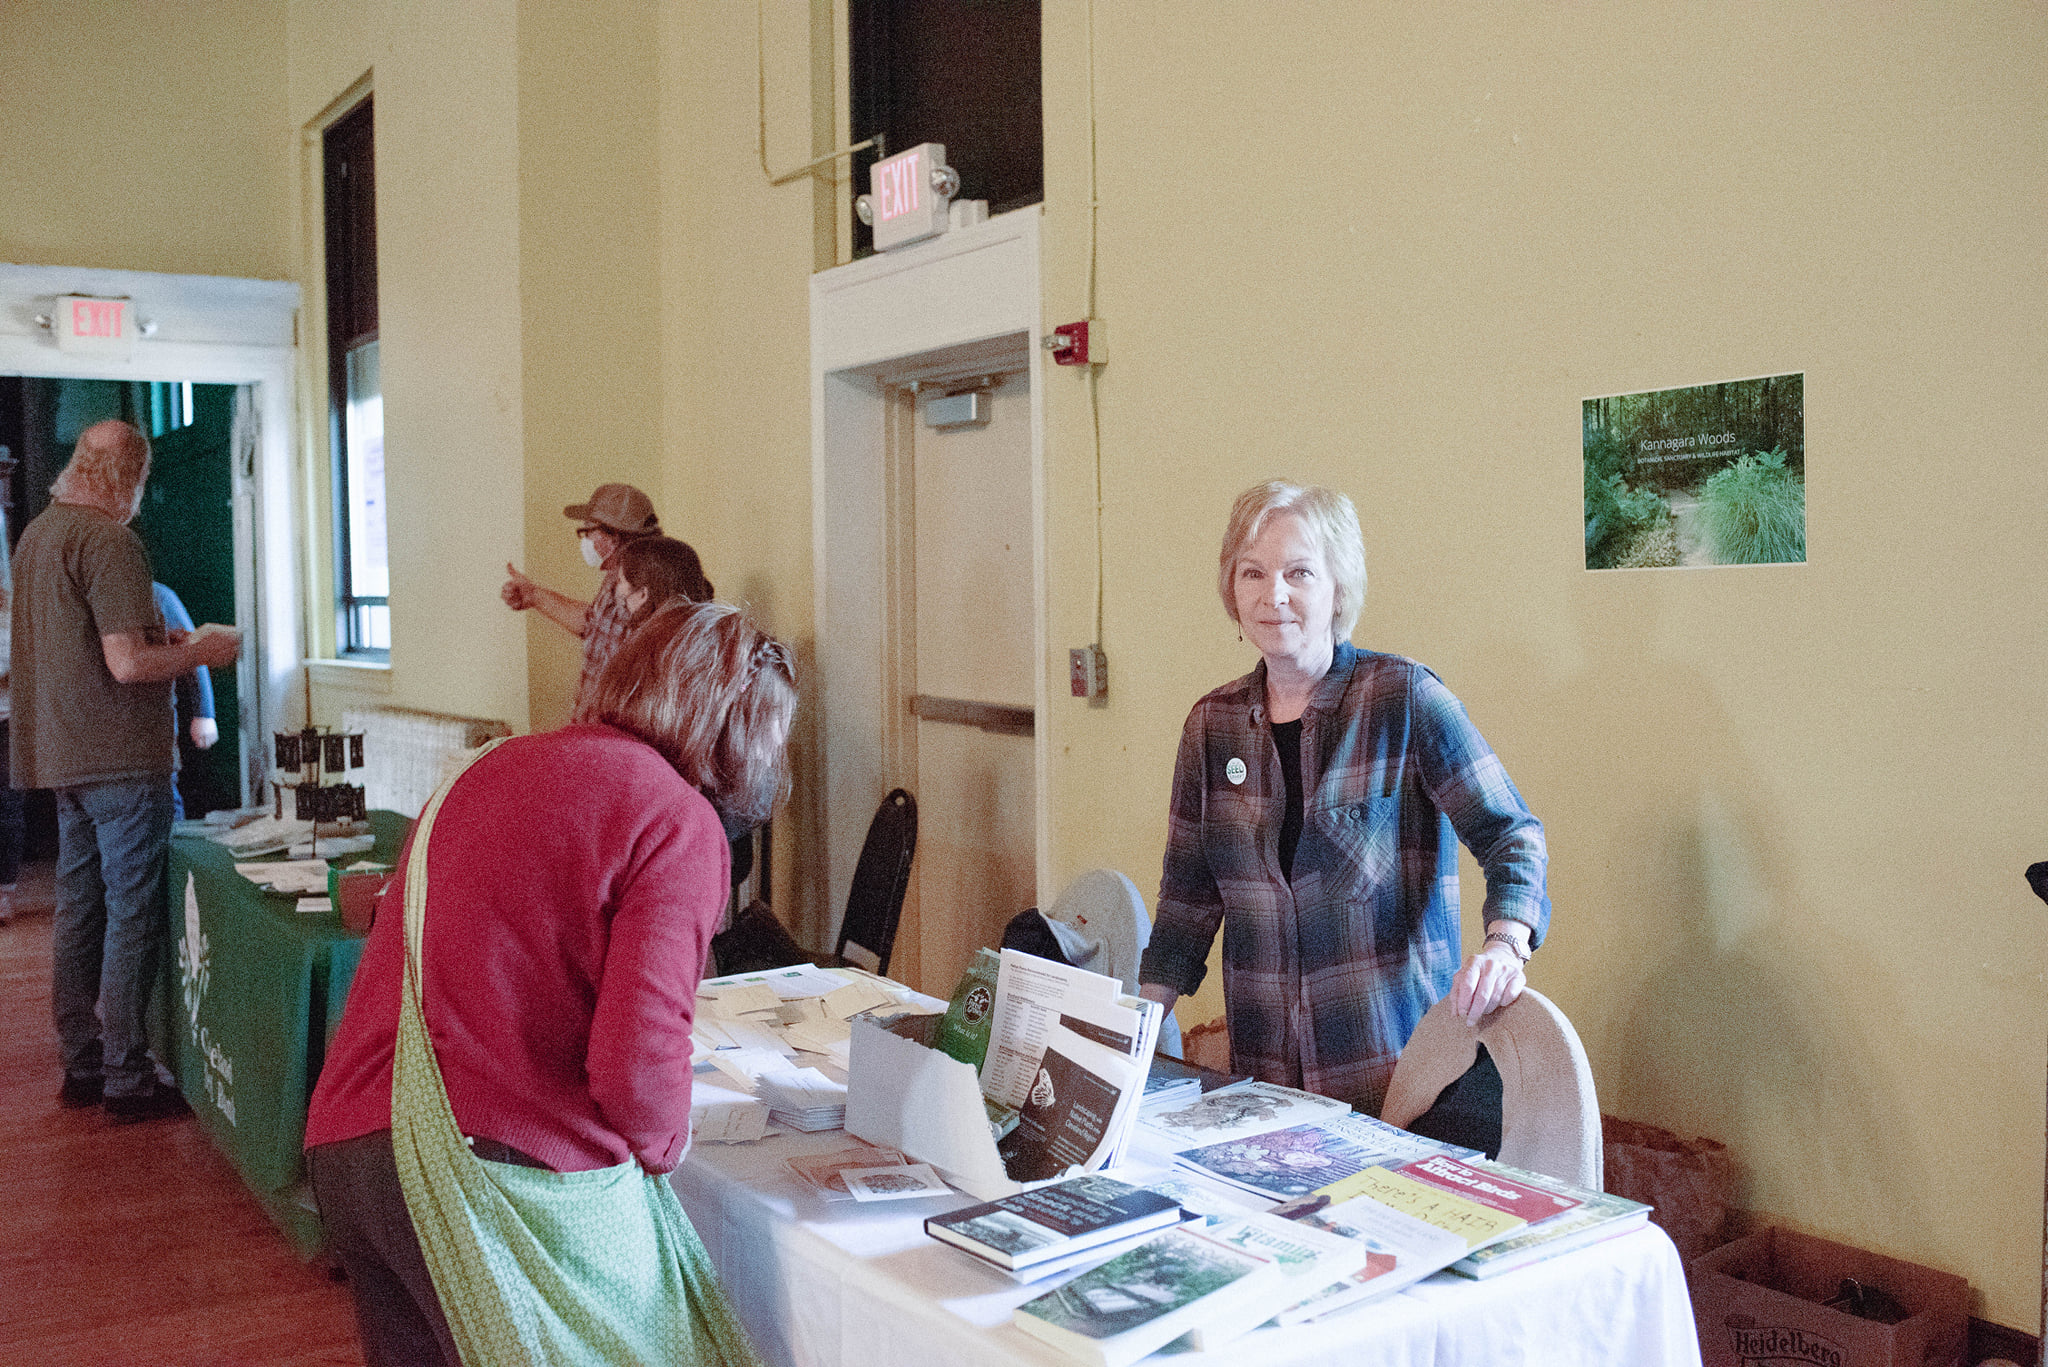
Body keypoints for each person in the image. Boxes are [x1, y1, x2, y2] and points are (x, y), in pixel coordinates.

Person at [305, 600, 797, 1367]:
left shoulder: (488, 765)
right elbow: (635, 1064)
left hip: (353, 1143)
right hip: (484, 1164)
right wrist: (668, 1141)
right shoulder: (676, 820)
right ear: (738, 733)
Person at [1138, 480, 1549, 1118]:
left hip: (1404, 1083)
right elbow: (1187, 897)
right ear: (1233, 591)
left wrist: (1505, 945)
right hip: (1268, 1087)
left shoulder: (1403, 700)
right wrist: (1134, 1030)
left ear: (1337, 589)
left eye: (1299, 572)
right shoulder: (1211, 726)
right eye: (1253, 572)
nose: (1273, 595)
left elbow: (1512, 834)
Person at [12, 419, 242, 1119]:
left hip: (63, 756)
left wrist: (160, 636)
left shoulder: (38, 535)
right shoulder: (112, 540)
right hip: (122, 759)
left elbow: (86, 643)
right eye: (141, 480)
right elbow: (127, 664)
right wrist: (206, 651)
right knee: (133, 915)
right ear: (127, 476)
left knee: (79, 909)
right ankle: (128, 1077)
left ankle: (82, 1062)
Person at [500, 482, 690, 712]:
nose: (586, 540)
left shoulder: (645, 586)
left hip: (617, 736)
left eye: (589, 531)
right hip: (596, 730)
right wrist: (534, 596)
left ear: (614, 536)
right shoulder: (618, 576)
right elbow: (593, 624)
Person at [153, 581, 219, 821]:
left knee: (164, 800)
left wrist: (204, 712)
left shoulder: (158, 596)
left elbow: (194, 652)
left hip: (153, 731)